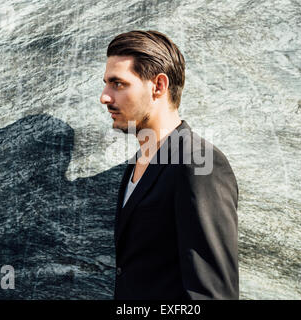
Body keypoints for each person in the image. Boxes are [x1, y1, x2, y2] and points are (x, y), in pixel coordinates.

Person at [100, 30, 239, 300]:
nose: (104, 97)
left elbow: (212, 294)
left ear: (158, 86)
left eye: (118, 84)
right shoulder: (136, 165)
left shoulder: (199, 164)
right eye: (106, 84)